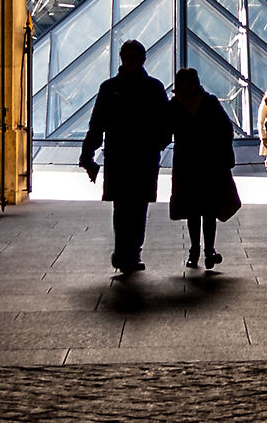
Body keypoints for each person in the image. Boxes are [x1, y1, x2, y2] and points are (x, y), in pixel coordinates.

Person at [80, 38, 171, 273]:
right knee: (136, 207)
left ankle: (124, 252)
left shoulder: (109, 87)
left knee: (123, 208)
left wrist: (87, 155)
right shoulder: (154, 87)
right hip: (143, 157)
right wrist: (157, 144)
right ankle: (130, 252)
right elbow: (166, 124)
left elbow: (96, 125)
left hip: (119, 155)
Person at [166, 67, 240, 271]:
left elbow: (164, 131)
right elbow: (226, 129)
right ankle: (205, 251)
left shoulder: (175, 105)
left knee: (199, 210)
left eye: (188, 82)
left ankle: (198, 251)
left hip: (190, 162)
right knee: (204, 209)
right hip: (207, 162)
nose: (186, 86)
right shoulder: (208, 102)